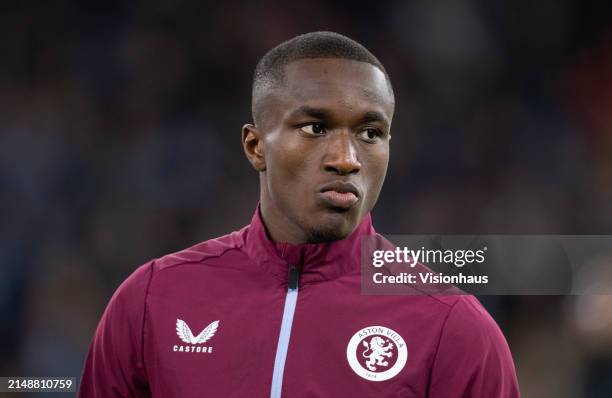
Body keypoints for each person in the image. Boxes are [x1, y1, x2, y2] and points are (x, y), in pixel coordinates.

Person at [78, 31, 520, 398]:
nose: (346, 158)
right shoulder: (151, 301)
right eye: (316, 127)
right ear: (255, 147)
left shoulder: (453, 328)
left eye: (370, 132)